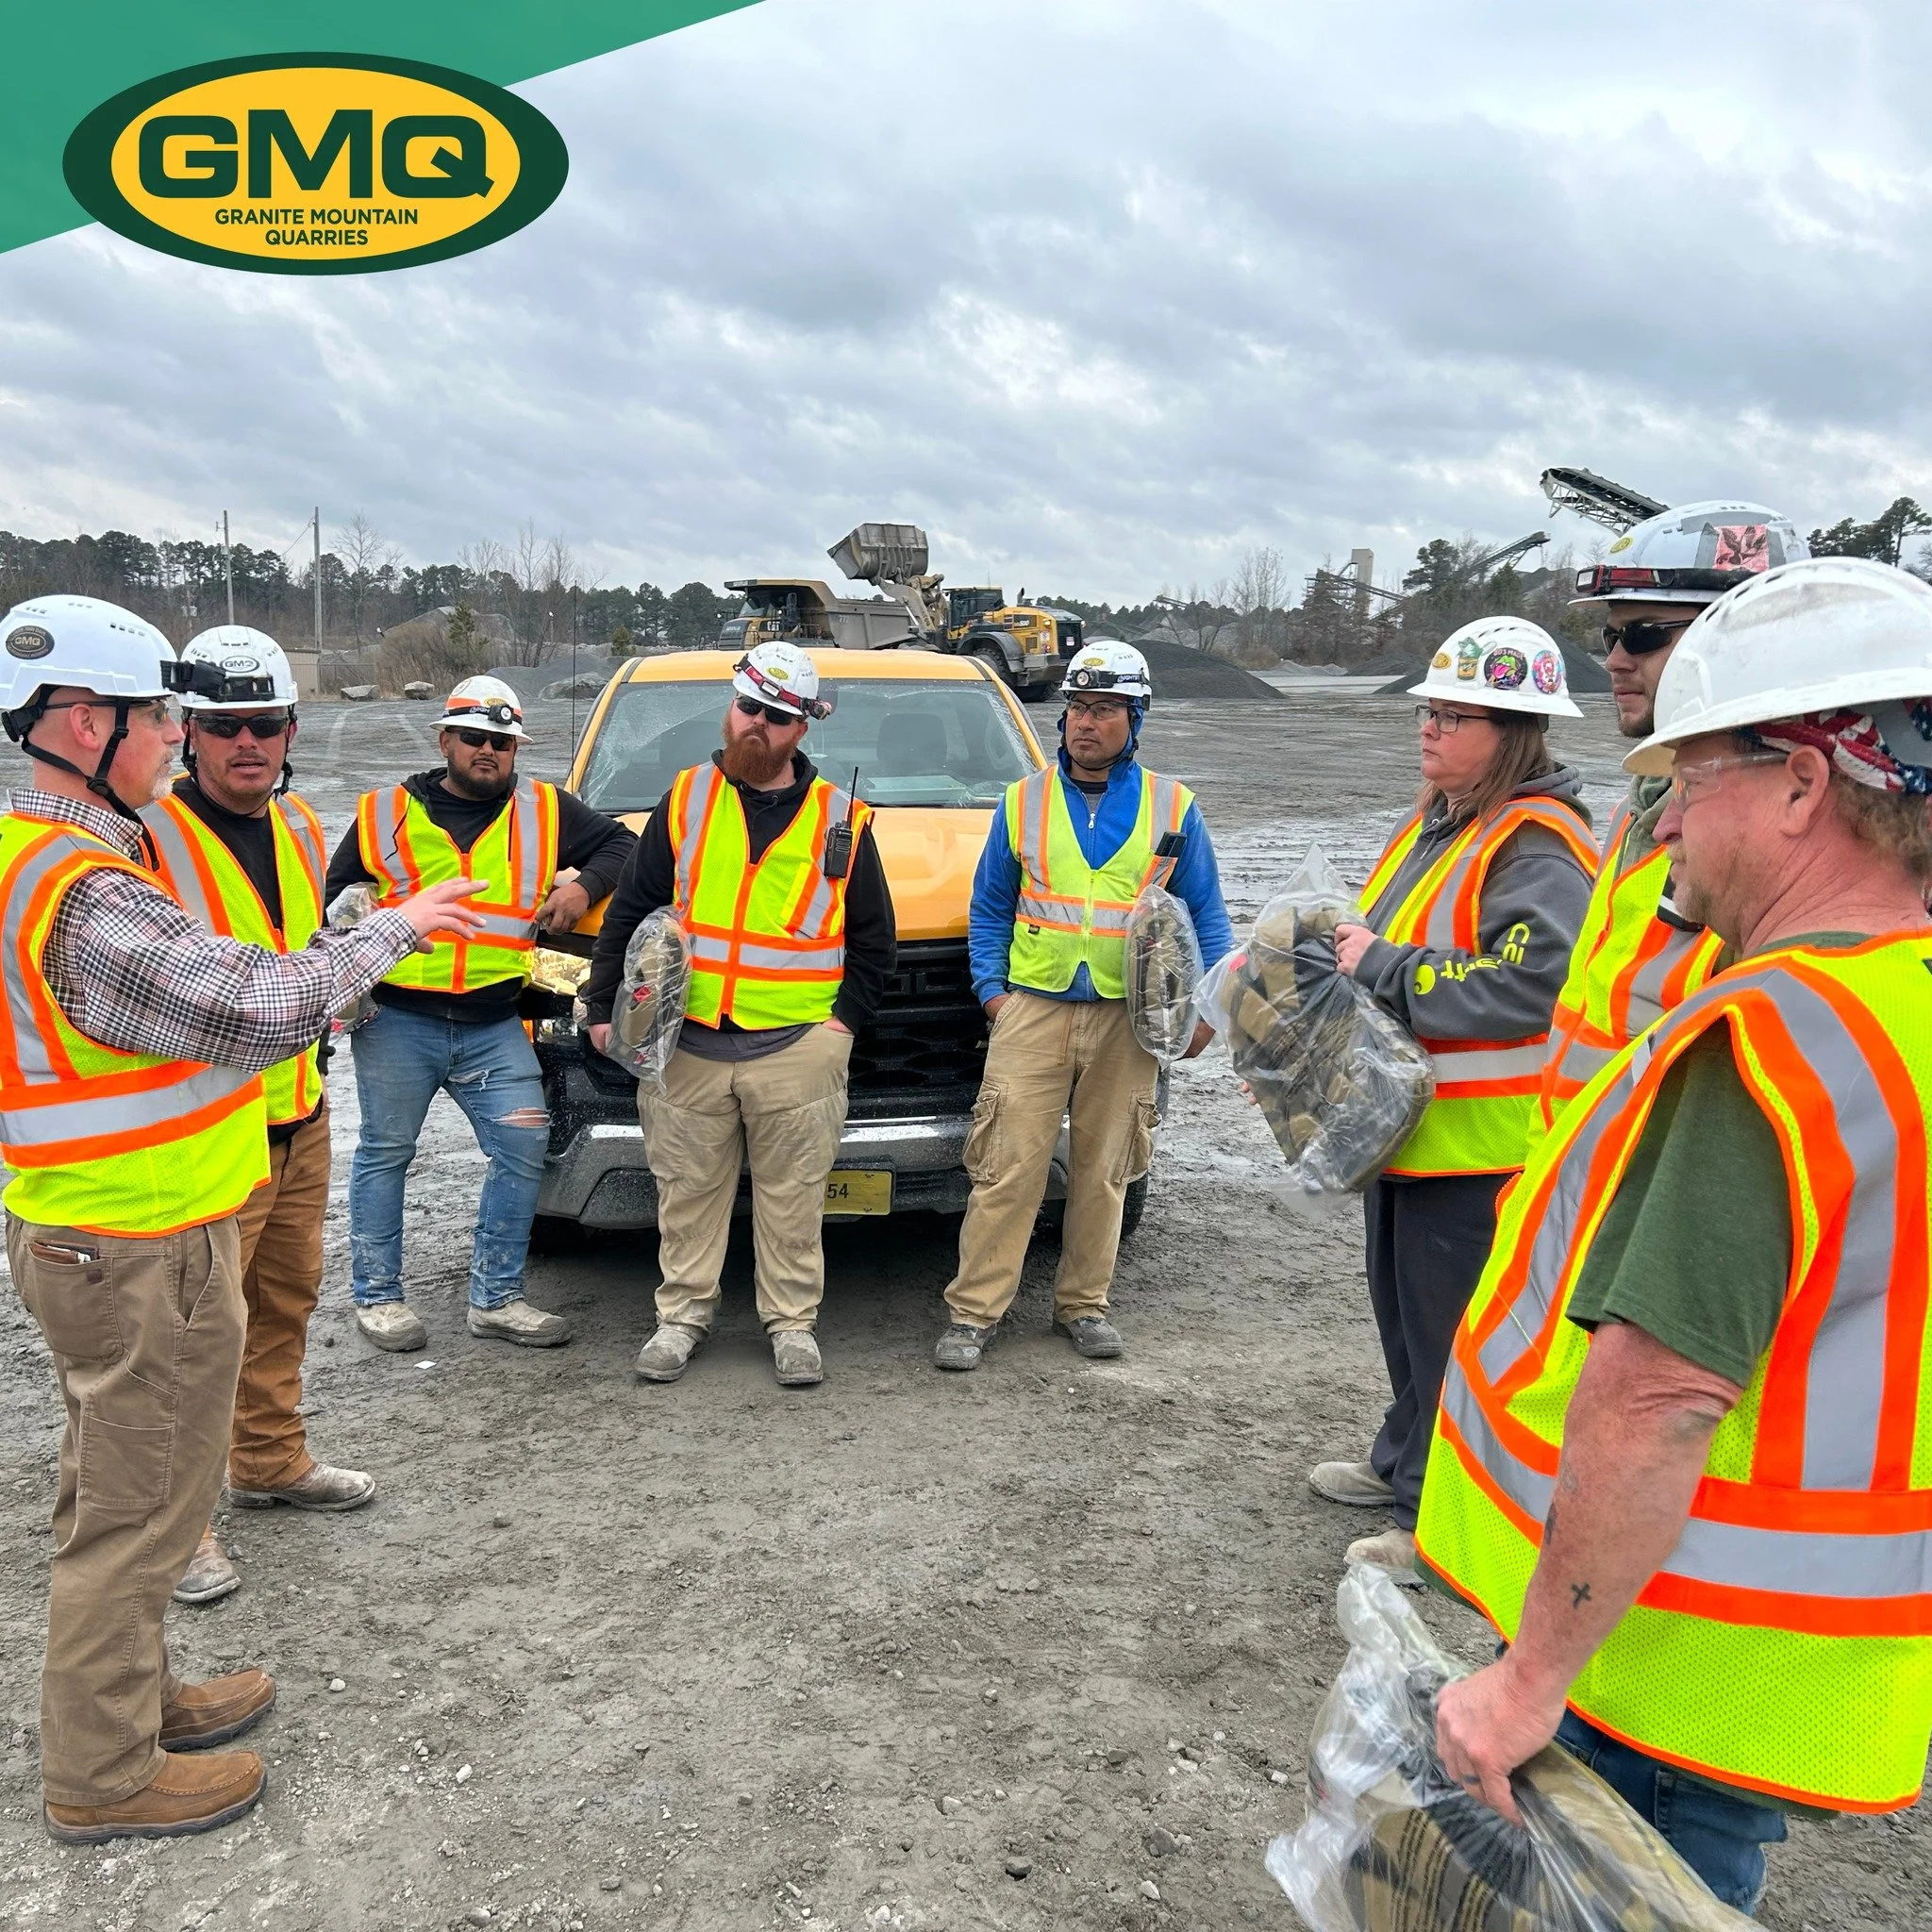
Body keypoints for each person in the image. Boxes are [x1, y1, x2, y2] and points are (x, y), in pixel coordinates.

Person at [1419, 557, 1932, 1916]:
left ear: (1804, 785)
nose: (1675, 820)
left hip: (1664, 1669)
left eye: (1696, 780)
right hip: (1807, 1669)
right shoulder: (1906, 1002)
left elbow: (1657, 1396)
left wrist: (1527, 1682)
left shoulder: (1779, 1039)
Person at [0, 595, 484, 1842]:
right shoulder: (87, 891)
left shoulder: (77, 856)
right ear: (80, 722)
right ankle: (102, 1777)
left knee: (123, 1490)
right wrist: (395, 930)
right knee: (134, 1511)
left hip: (131, 1225)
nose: (179, 733)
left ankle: (140, 1698)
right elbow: (257, 1007)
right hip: (130, 1240)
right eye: (160, 713)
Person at [1309, 618, 1595, 1579]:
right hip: (1409, 1131)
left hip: (1477, 1146)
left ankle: (1434, 1520)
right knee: (1404, 1323)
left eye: (1449, 715)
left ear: (1509, 729)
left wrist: (1383, 962)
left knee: (1455, 1342)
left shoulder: (1536, 845)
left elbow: (1528, 984)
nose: (1426, 730)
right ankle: (1400, 1460)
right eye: (1426, 711)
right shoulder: (1442, 818)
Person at [581, 643, 895, 1389]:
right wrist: (601, 1007)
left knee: (793, 1200)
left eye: (778, 717)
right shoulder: (687, 799)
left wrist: (840, 1028)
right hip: (686, 1045)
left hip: (796, 1050)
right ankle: (681, 1319)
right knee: (686, 1193)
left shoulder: (842, 820)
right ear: (730, 707)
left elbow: (874, 941)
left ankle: (792, 1326)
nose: (758, 727)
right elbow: (631, 909)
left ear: (802, 728)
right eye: (749, 708)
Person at [138, 627, 372, 1608]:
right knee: (189, 1338)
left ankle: (268, 1457)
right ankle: (174, 1528)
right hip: (200, 1132)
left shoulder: (299, 827)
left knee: (283, 1303)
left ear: (289, 730)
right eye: (224, 726)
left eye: (264, 725)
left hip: (297, 1110)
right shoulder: (144, 838)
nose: (247, 744)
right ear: (188, 733)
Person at [934, 641, 1235, 1372]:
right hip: (1032, 1010)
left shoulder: (1174, 807)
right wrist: (994, 997)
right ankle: (974, 1313)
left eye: (1105, 710)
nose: (1086, 724)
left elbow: (1208, 917)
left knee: (1105, 1168)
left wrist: (1205, 1011)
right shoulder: (1022, 800)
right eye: (1077, 708)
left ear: (1136, 718)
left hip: (1127, 1020)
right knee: (1007, 1165)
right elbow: (990, 909)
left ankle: (1084, 1304)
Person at [325, 675, 636, 1352]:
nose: (488, 751)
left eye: (502, 741)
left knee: (523, 1147)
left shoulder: (547, 810)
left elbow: (623, 847)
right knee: (385, 1153)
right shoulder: (385, 813)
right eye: (475, 738)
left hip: (493, 1026)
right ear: (446, 740)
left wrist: (583, 885)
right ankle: (378, 1298)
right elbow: (336, 898)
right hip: (397, 1021)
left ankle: (496, 1298)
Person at [1529, 502, 1809, 1146]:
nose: (1615, 661)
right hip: (1581, 1190)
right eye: (1610, 636)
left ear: (1745, 639)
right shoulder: (1642, 808)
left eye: (1646, 633)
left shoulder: (1786, 837)